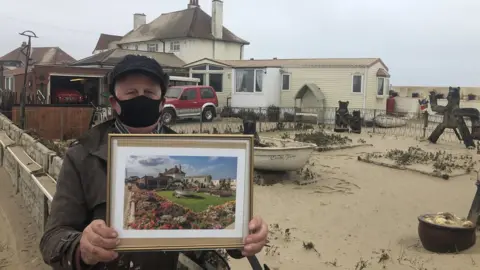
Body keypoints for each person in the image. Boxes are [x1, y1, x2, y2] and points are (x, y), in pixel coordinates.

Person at [39, 55, 269, 269]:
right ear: (114, 102)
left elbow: (210, 229)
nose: (141, 98)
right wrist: (82, 247)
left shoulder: (185, 151)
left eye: (149, 93)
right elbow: (52, 239)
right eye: (131, 93)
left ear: (161, 102)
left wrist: (244, 237)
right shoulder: (83, 156)